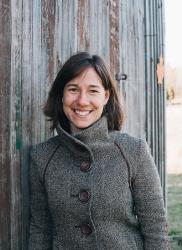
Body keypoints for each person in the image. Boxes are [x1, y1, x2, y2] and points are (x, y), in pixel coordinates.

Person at [28, 52, 169, 250]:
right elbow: (40, 230)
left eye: (93, 90)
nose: (82, 100)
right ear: (61, 95)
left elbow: (155, 228)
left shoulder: (133, 151)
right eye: (73, 89)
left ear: (106, 97)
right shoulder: (42, 157)